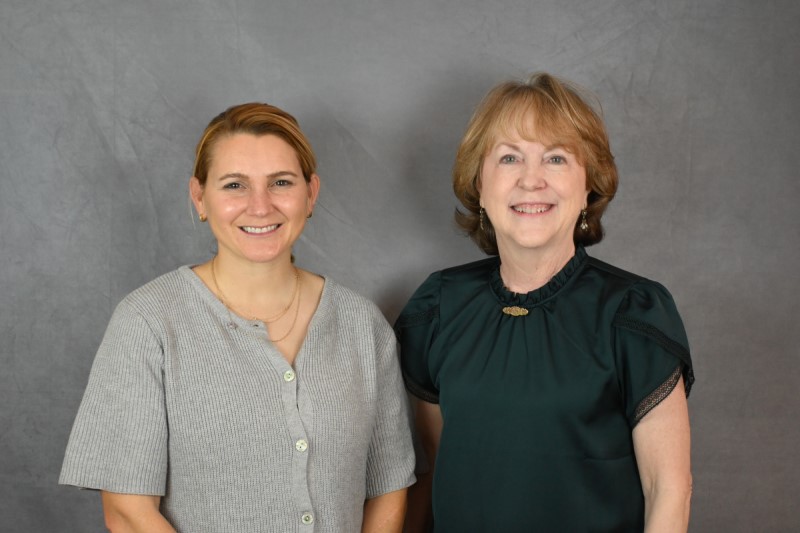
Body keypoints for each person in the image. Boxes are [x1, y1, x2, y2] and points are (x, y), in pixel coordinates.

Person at [60, 103, 415, 532]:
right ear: (200, 197)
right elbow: (128, 513)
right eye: (235, 185)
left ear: (311, 193)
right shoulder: (148, 323)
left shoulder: (361, 325)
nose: (260, 206)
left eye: (281, 182)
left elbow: (388, 488)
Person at [396, 73, 694, 532]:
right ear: (479, 182)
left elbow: (668, 490)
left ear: (588, 186)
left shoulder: (633, 312)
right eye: (509, 157)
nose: (530, 180)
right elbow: (442, 469)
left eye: (555, 158)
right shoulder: (437, 307)